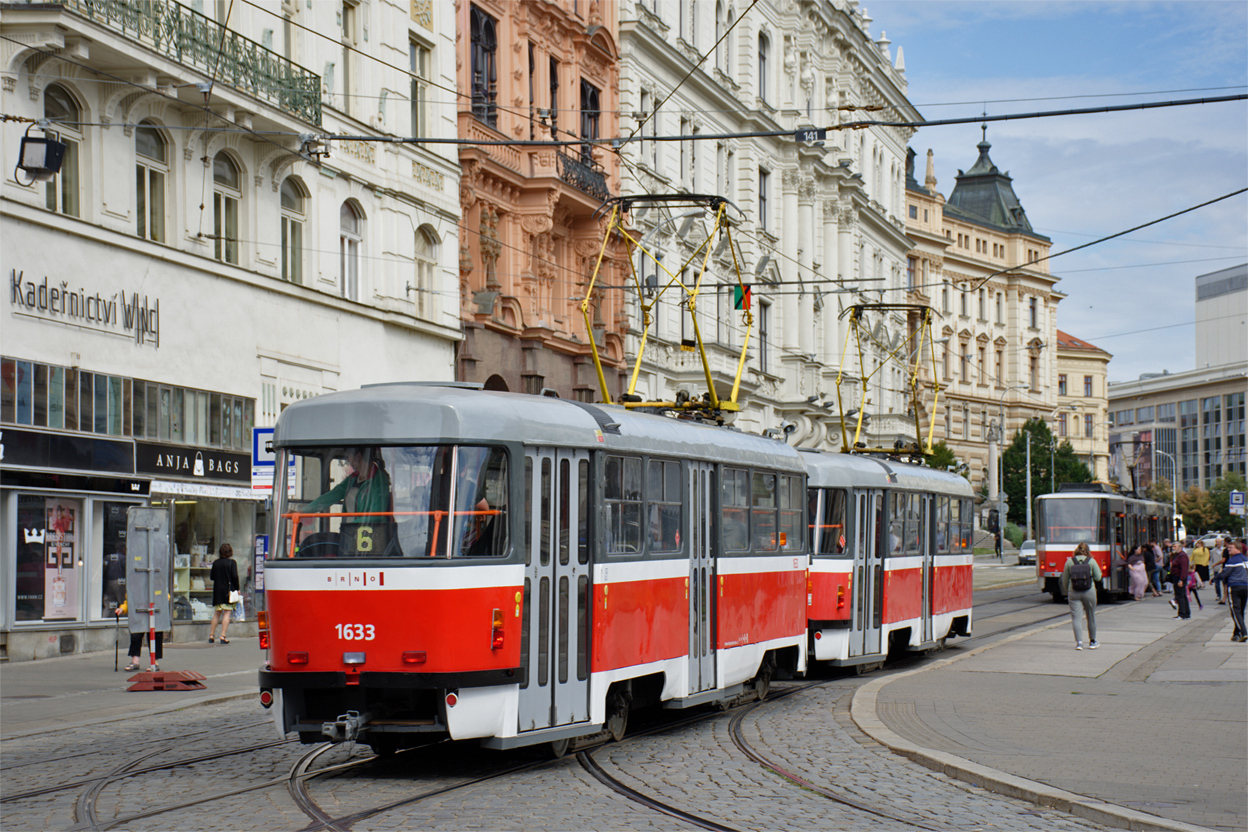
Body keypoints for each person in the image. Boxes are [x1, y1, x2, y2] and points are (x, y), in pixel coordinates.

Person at [1061, 541, 1101, 650]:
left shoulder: (1070, 562)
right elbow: (1098, 577)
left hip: (1073, 592)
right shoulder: (1091, 561)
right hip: (1089, 591)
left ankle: (1079, 643)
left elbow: (1064, 579)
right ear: (1088, 551)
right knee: (1091, 616)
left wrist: (1068, 590)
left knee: (1076, 618)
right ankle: (1093, 642)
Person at [1211, 540, 1247, 642]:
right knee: (1241, 611)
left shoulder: (1232, 560)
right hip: (1246, 586)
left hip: (1235, 586)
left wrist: (1214, 579)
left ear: (1237, 548)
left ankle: (1244, 632)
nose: (1228, 549)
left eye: (1231, 547)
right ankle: (1236, 633)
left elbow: (1225, 573)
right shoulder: (1245, 559)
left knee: (1235, 611)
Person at [208, 543, 240, 644]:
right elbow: (235, 577)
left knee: (217, 613)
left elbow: (212, 577)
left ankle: (211, 635)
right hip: (228, 591)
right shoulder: (232, 563)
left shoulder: (216, 563)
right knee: (227, 612)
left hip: (217, 591)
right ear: (230, 552)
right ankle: (222, 636)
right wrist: (237, 588)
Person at [1168, 542, 1191, 620]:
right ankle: (1186, 613)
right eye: (1173, 546)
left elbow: (1184, 569)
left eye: (1175, 546)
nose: (1173, 548)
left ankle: (1182, 614)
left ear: (1180, 547)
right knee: (1182, 596)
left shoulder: (1182, 556)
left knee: (1180, 596)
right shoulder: (1178, 555)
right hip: (1177, 578)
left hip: (1179, 578)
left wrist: (1181, 579)